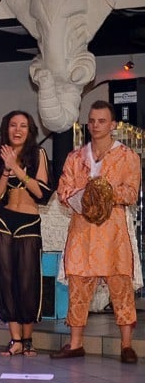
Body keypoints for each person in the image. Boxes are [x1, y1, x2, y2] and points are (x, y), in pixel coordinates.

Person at [52, 100, 140, 363]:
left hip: (113, 231)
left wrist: (104, 192)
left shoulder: (127, 156)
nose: (95, 125)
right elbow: (63, 190)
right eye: (91, 121)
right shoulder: (75, 157)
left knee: (120, 284)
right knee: (78, 283)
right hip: (82, 229)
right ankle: (75, 343)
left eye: (101, 121)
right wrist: (82, 197)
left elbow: (131, 193)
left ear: (113, 125)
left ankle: (126, 345)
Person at [0, 110, 52, 357]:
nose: (17, 130)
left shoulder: (38, 154)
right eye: (13, 125)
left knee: (27, 282)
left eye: (23, 125)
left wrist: (17, 167)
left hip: (28, 223)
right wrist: (6, 169)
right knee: (6, 281)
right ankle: (15, 340)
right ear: (6, 129)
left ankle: (28, 340)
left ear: (29, 130)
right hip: (3, 222)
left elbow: (41, 192)